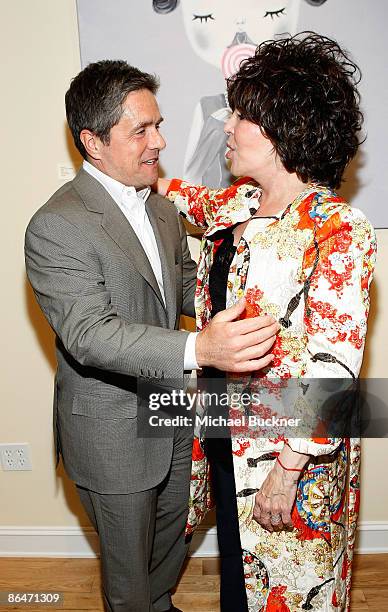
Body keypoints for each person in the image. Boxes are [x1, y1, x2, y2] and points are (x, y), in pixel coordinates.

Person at [24, 60, 279, 612]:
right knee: (127, 574)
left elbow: (186, 288)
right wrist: (200, 348)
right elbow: (89, 334)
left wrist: (260, 304)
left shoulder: (160, 209)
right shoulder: (57, 225)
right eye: (141, 130)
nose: (159, 142)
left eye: (158, 125)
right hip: (112, 431)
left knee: (169, 543)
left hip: (172, 414)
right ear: (92, 142)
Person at [158, 34, 376, 611]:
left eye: (243, 115)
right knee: (239, 579)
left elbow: (335, 366)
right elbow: (178, 196)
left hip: (288, 461)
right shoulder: (237, 205)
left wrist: (289, 466)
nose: (227, 126)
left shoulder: (335, 227)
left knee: (292, 593)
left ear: (283, 128)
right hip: (225, 443)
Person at [153, 0, 327, 187]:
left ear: (289, 126)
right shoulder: (241, 201)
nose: (228, 126)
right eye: (205, 17)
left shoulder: (332, 216)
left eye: (242, 116)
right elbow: (189, 191)